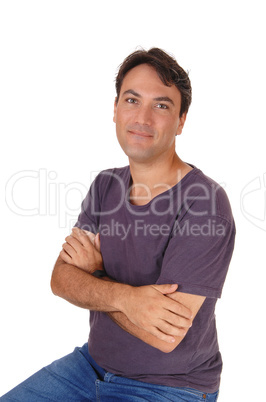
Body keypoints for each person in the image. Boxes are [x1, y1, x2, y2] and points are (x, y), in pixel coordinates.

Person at [1, 48, 235, 401]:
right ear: (115, 109)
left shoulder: (205, 204)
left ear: (181, 121)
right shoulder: (105, 185)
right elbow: (60, 279)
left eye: (161, 105)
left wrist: (94, 278)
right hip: (90, 366)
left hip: (169, 385)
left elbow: (164, 335)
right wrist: (130, 300)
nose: (142, 117)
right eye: (131, 100)